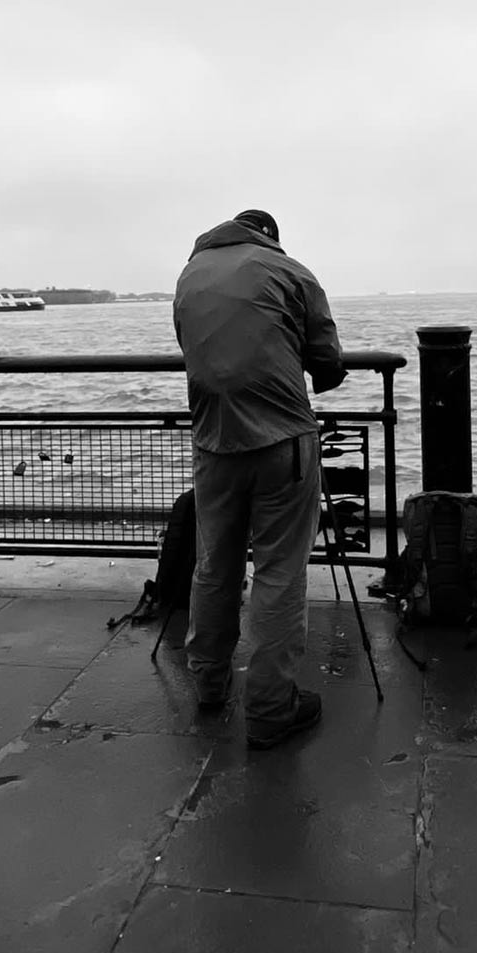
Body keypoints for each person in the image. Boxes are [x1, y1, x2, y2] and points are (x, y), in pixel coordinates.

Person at [173, 209, 345, 750]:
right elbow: (329, 366)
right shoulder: (291, 272)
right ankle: (272, 707)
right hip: (282, 442)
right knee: (278, 572)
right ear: (270, 237)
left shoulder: (188, 275)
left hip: (213, 444)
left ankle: (208, 682)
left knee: (214, 564)